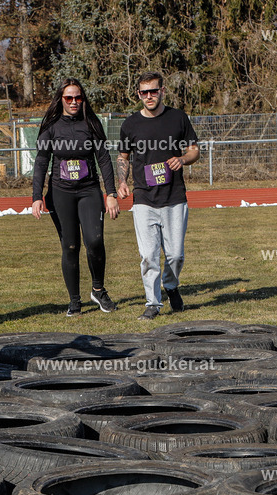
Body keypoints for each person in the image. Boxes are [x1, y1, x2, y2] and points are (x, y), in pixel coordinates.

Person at [32, 79, 119, 316]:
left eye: (78, 97)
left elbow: (104, 159)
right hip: (61, 193)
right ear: (60, 99)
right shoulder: (51, 126)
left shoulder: (91, 123)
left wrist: (111, 193)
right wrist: (37, 196)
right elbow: (41, 161)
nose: (74, 102)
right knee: (70, 246)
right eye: (68, 98)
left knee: (95, 241)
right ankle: (74, 300)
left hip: (89, 191)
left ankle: (98, 290)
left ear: (83, 99)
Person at [117, 72, 200, 320]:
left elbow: (194, 150)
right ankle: (153, 303)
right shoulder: (130, 124)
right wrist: (122, 181)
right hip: (144, 198)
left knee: (175, 255)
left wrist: (182, 159)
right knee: (148, 256)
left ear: (162, 91)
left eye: (153, 91)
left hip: (174, 197)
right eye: (144, 92)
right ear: (138, 94)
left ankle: (171, 285)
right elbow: (123, 157)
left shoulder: (178, 117)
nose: (149, 96)